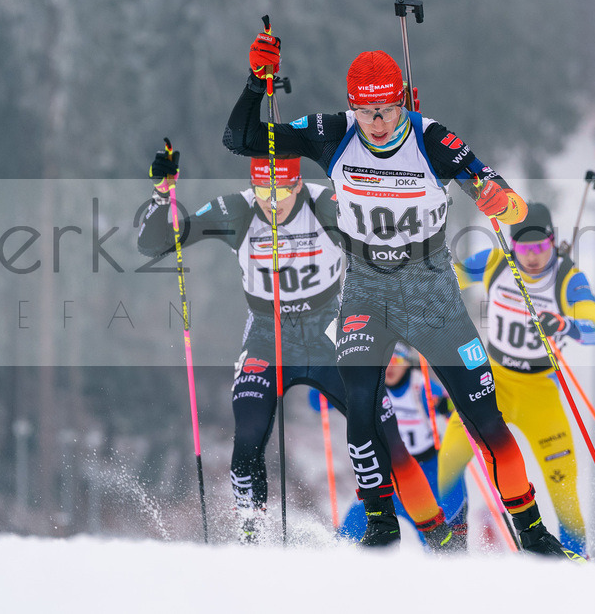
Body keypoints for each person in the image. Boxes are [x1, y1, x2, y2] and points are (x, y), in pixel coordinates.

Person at [223, 27, 580, 559]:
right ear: (352, 108)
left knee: (486, 421)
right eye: (368, 113)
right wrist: (257, 82)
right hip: (367, 294)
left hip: (430, 294)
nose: (379, 124)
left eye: (389, 111)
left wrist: (500, 202)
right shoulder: (330, 132)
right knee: (362, 412)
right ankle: (381, 526)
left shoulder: (432, 138)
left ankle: (532, 531)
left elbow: (502, 195)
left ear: (402, 103)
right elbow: (243, 140)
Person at [137, 147, 453, 548]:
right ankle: (252, 534)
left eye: (282, 192)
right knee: (248, 432)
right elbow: (157, 244)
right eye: (263, 193)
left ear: (298, 183)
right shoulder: (236, 210)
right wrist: (162, 195)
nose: (272, 203)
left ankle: (437, 536)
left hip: (329, 332)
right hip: (267, 337)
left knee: (386, 435)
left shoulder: (324, 203)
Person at [438, 202, 595, 558]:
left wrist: (565, 325)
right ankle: (452, 548)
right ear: (513, 245)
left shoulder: (567, 278)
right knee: (449, 459)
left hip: (539, 390)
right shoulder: (497, 261)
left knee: (562, 483)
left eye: (540, 248)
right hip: (492, 381)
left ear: (552, 242)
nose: (532, 258)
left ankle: (573, 559)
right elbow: (450, 276)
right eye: (525, 249)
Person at [328, 342, 468, 548]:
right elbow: (318, 402)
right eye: (386, 360)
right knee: (350, 531)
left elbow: (452, 407)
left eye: (398, 359)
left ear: (409, 361)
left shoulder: (421, 386)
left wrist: (447, 406)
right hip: (387, 477)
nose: (391, 367)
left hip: (426, 475)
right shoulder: (370, 386)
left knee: (438, 540)